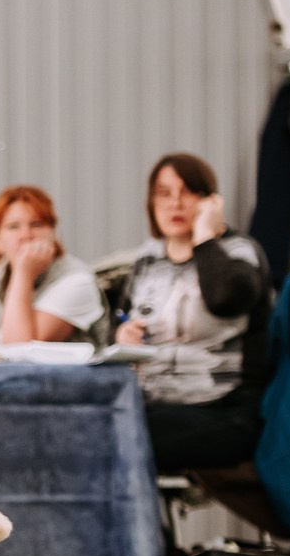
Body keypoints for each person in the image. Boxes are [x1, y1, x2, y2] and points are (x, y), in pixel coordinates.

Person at [112, 153, 272, 472]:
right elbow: (120, 318)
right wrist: (122, 335)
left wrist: (204, 237)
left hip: (222, 411)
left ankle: (143, 525)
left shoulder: (240, 253)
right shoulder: (147, 259)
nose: (175, 203)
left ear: (210, 201)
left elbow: (225, 299)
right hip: (151, 406)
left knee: (124, 439)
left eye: (188, 192)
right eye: (164, 193)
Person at [0, 185, 104, 344]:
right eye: (13, 227)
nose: (26, 235)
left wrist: (23, 274)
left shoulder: (77, 281)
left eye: (36, 224)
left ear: (53, 232)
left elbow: (18, 347)